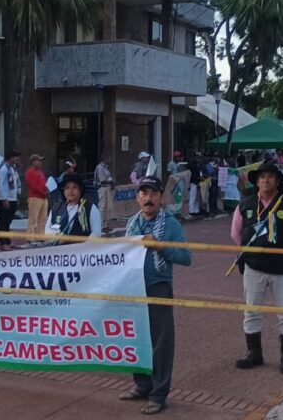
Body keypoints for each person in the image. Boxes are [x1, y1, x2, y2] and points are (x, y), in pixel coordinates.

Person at [119, 176, 191, 414]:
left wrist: (159, 245)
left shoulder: (171, 225)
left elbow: (186, 257)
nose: (148, 199)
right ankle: (141, 384)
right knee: (136, 338)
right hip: (133, 288)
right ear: (137, 197)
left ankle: (159, 393)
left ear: (161, 198)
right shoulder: (132, 223)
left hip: (158, 286)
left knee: (161, 342)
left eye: (153, 194)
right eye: (143, 194)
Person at [231, 162, 283, 375]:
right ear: (256, 181)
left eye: (271, 177)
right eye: (262, 177)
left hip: (282, 269)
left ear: (278, 181)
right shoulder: (245, 204)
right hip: (253, 267)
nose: (266, 180)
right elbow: (237, 234)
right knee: (252, 311)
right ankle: (254, 353)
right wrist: (251, 253)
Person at [44, 173, 102, 241]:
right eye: (67, 188)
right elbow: (47, 231)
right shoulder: (56, 209)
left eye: (75, 187)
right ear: (63, 191)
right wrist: (57, 235)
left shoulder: (90, 208)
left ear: (80, 190)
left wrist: (83, 246)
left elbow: (96, 232)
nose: (70, 191)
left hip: (82, 249)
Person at [0, 150, 21, 250]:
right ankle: (2, 242)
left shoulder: (13, 169)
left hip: (13, 198)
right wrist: (4, 198)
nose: (17, 159)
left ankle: (8, 240)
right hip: (5, 199)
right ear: (10, 158)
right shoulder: (4, 169)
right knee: (3, 221)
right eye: (16, 157)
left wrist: (17, 197)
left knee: (8, 221)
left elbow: (16, 184)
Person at [25, 154, 49, 237]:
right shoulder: (30, 172)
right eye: (38, 160)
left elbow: (43, 184)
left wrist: (47, 189)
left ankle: (40, 236)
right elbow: (33, 186)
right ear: (33, 162)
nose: (40, 162)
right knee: (33, 219)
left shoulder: (40, 172)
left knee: (43, 219)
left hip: (43, 198)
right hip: (35, 197)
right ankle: (30, 237)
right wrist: (43, 192)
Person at [93, 154, 115, 231]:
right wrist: (111, 182)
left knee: (107, 207)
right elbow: (102, 180)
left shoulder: (106, 167)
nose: (110, 159)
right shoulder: (100, 167)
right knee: (102, 206)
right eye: (108, 157)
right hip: (102, 188)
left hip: (107, 188)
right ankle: (101, 225)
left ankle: (105, 225)